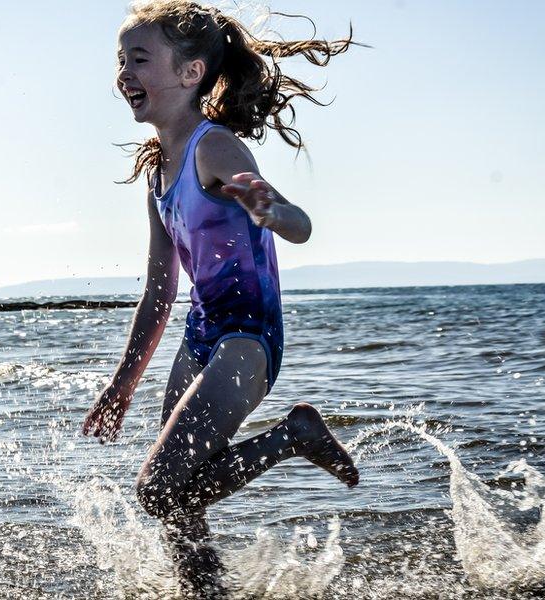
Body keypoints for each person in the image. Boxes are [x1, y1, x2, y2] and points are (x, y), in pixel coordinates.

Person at [81, 1, 361, 596]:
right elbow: (160, 291)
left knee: (157, 488)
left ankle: (293, 437)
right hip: (201, 336)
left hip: (247, 339)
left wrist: (269, 208)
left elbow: (301, 224)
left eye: (139, 59)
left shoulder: (216, 148)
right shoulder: (158, 173)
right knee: (180, 511)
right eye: (120, 61)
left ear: (190, 73)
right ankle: (205, 593)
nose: (124, 74)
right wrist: (121, 384)